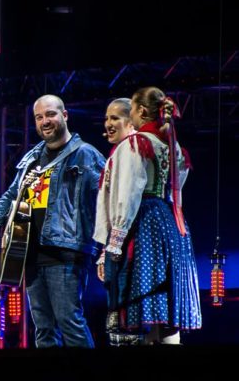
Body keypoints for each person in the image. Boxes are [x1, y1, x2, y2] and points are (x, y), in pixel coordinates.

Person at [0, 94, 106, 348]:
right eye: (39, 117)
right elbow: (12, 194)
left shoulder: (85, 155)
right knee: (43, 329)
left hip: (66, 250)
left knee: (69, 322)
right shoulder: (32, 157)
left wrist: (105, 246)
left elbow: (105, 201)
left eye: (50, 114)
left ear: (65, 115)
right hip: (30, 251)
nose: (45, 121)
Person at [93, 86, 202, 345]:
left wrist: (114, 243)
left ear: (141, 111)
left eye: (129, 111)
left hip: (144, 224)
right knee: (163, 306)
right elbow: (176, 188)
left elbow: (128, 194)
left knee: (144, 303)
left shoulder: (135, 143)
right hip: (171, 223)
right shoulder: (172, 146)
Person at [95, 98, 139, 345]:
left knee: (126, 307)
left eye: (115, 118)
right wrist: (105, 250)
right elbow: (108, 207)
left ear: (131, 120)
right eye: (106, 118)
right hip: (116, 244)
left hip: (128, 242)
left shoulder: (131, 149)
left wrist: (114, 244)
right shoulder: (117, 152)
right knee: (116, 309)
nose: (109, 124)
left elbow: (126, 199)